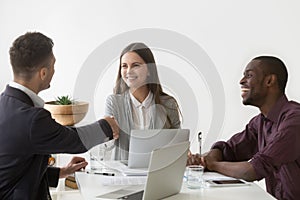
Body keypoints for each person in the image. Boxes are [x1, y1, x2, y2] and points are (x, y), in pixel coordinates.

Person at [0, 32, 119, 200]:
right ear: (43, 73)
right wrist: (107, 125)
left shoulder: (5, 104)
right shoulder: (32, 119)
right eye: (53, 65)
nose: (54, 70)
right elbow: (76, 140)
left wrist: (62, 172)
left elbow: (15, 170)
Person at [188, 56, 300, 199]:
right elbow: (228, 150)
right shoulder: (259, 122)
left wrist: (213, 164)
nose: (241, 81)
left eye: (249, 75)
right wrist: (203, 160)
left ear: (269, 81)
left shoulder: (295, 120)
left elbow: (252, 171)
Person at [105, 42, 181, 160]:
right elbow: (107, 146)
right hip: (123, 176)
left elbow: (177, 146)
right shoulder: (114, 103)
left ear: (149, 70)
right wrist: (105, 132)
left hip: (158, 174)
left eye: (135, 65)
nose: (129, 71)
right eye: (124, 66)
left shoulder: (168, 104)